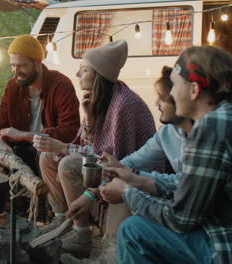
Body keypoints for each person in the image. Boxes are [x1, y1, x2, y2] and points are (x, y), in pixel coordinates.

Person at [100, 46, 232, 264]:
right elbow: (188, 184)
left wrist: (128, 192)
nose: (172, 93)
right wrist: (135, 179)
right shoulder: (231, 116)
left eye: (175, 85)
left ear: (194, 90)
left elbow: (181, 219)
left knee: (134, 230)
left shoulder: (212, 128)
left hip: (228, 247)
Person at [32, 40, 156, 259]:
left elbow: (114, 159)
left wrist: (62, 146)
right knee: (47, 157)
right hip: (110, 164)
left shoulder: (123, 104)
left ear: (99, 74)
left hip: (134, 176)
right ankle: (62, 220)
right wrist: (88, 119)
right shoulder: (97, 98)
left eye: (84, 69)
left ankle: (82, 234)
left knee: (68, 163)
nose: (78, 74)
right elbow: (89, 146)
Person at [60, 66, 193, 263]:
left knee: (124, 193)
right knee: (112, 176)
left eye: (163, 97)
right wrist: (90, 194)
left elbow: (183, 184)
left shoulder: (208, 136)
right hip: (174, 198)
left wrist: (132, 177)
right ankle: (96, 247)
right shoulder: (168, 132)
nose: (156, 103)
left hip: (190, 212)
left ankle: (108, 257)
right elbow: (128, 161)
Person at [0, 34, 80, 175]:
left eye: (22, 66)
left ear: (38, 64)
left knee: (43, 156)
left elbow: (69, 132)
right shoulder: (12, 87)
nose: (16, 72)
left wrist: (23, 135)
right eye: (13, 65)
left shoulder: (61, 85)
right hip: (20, 151)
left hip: (51, 155)